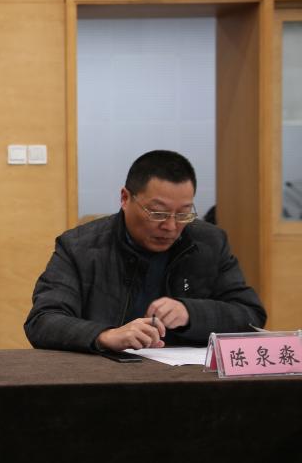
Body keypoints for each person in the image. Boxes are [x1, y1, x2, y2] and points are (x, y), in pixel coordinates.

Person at [24, 150, 266, 352]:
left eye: (183, 214)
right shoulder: (80, 247)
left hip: (188, 380)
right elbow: (42, 321)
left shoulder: (209, 242)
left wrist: (190, 313)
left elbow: (250, 315)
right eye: (158, 213)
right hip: (104, 379)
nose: (171, 226)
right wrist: (105, 335)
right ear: (125, 198)